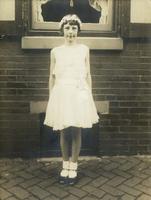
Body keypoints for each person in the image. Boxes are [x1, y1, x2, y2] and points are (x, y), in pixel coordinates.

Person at [44, 14, 99, 185]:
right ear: (62, 31)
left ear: (78, 31)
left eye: (74, 28)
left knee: (76, 130)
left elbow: (88, 74)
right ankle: (65, 165)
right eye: (67, 28)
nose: (70, 32)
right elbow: (51, 77)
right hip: (61, 93)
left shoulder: (84, 49)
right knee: (64, 130)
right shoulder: (55, 52)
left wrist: (88, 94)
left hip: (78, 93)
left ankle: (73, 166)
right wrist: (51, 97)